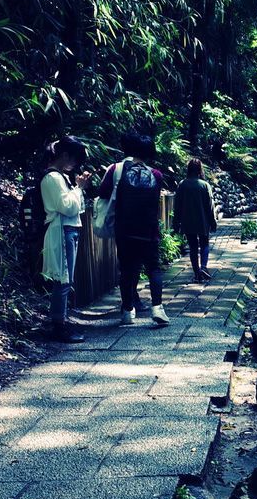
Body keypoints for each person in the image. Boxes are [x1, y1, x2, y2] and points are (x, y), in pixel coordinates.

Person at [99, 132, 170, 327]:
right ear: (149, 154)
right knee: (154, 268)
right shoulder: (156, 174)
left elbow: (103, 192)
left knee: (127, 270)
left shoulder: (116, 169)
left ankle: (128, 312)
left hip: (124, 230)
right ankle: (158, 308)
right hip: (149, 231)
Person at [40, 136, 91, 343]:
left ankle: (60, 322)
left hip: (68, 230)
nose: (75, 166)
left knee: (65, 279)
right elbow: (68, 207)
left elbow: (76, 207)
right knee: (63, 280)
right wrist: (79, 188)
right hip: (62, 231)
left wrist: (77, 188)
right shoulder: (53, 178)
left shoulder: (60, 177)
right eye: (74, 160)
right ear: (64, 155)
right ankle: (58, 326)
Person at [172, 158, 217, 282]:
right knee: (204, 244)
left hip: (188, 221)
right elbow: (210, 206)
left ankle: (197, 273)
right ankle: (203, 267)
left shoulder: (182, 184)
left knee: (192, 246)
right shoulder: (205, 185)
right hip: (203, 220)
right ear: (200, 170)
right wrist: (213, 222)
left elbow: (177, 206)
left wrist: (175, 223)